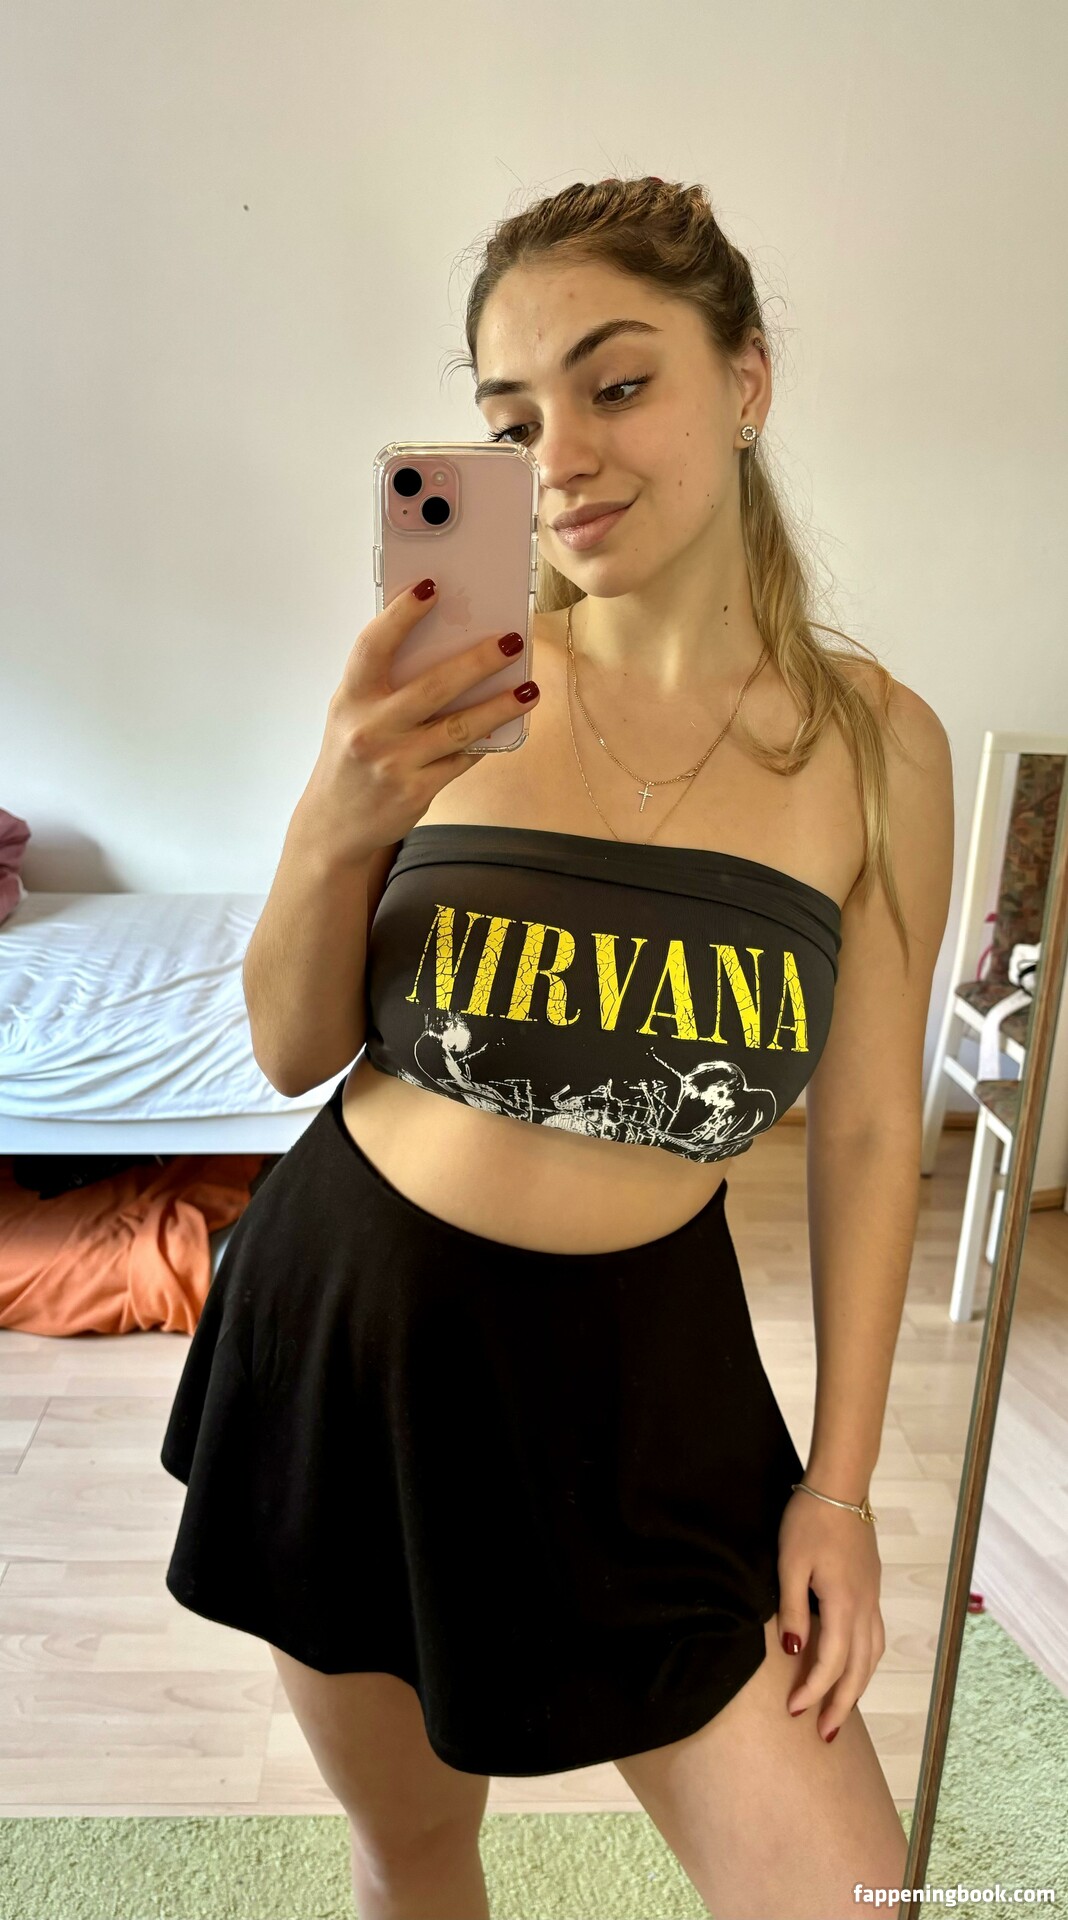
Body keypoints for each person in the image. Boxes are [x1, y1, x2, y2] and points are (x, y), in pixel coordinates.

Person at [161, 175, 954, 1920]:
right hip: (358, 1342)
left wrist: (840, 1492)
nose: (565, 456)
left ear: (746, 381)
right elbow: (290, 1047)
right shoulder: (455, 683)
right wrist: (338, 810)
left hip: (649, 1379)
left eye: (618, 383)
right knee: (417, 1859)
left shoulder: (876, 746)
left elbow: (867, 1133)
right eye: (514, 419)